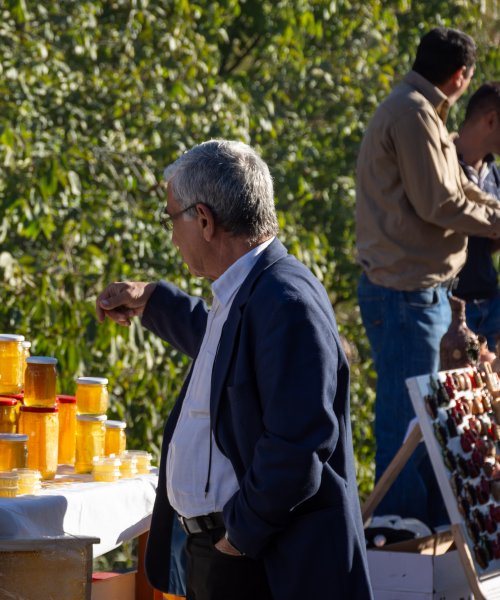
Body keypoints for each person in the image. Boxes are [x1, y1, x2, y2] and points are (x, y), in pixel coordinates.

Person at [96, 140, 372, 599]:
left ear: (203, 220)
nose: (171, 235)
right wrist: (152, 300)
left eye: (172, 219)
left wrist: (236, 540)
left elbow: (298, 445)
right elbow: (226, 352)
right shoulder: (251, 285)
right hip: (236, 550)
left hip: (262, 559)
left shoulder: (286, 300)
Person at [356, 27, 500, 527]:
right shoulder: (412, 113)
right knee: (405, 412)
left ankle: (417, 523)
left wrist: (495, 211)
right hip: (404, 294)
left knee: (427, 415)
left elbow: (459, 187)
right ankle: (395, 524)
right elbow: (439, 203)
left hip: (421, 294)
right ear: (460, 76)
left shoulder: (422, 111)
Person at [454, 82, 500, 353]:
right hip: (451, 305)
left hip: (490, 299)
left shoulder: (495, 174)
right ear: (491, 120)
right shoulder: (443, 165)